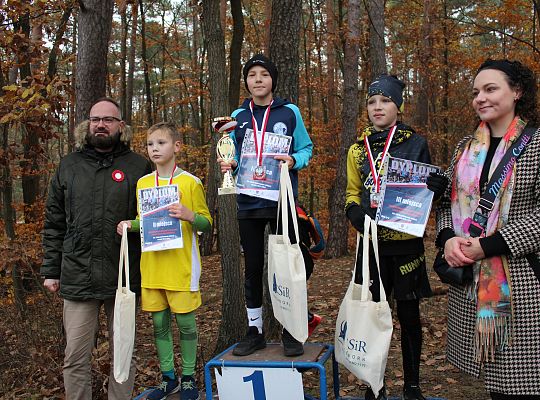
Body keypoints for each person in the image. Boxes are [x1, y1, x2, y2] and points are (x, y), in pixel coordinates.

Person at [434, 59, 540, 399]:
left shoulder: (536, 144)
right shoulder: (465, 148)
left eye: (491, 89)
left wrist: (490, 245)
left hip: (523, 281)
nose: (481, 97)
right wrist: (447, 237)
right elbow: (445, 206)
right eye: (476, 92)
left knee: (522, 381)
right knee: (497, 382)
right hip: (471, 281)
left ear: (518, 91)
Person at [41, 98, 152, 399]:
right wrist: (51, 270)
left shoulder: (140, 166)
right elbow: (54, 223)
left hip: (124, 276)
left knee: (123, 355)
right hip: (78, 276)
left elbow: (153, 221)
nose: (101, 124)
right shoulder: (69, 165)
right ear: (86, 125)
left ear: (121, 126)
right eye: (95, 119)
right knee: (75, 357)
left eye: (108, 119)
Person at [218, 54, 315, 357]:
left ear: (273, 80)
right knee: (253, 267)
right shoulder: (237, 115)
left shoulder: (289, 112)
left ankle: (291, 329)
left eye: (264, 74)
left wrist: (293, 160)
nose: (258, 80)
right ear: (246, 81)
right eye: (251, 75)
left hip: (281, 199)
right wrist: (229, 164)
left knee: (288, 265)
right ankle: (255, 331)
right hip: (248, 200)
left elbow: (306, 148)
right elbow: (232, 153)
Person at [345, 75, 433, 400]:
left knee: (409, 315)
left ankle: (412, 386)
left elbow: (426, 194)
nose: (378, 107)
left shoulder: (415, 142)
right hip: (372, 244)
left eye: (385, 100)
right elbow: (351, 194)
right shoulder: (357, 149)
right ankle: (374, 385)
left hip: (407, 244)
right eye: (372, 101)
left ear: (398, 105)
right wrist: (355, 214)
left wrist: (436, 190)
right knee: (373, 316)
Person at [118, 122, 212, 400]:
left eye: (161, 143)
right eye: (150, 144)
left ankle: (188, 378)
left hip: (182, 268)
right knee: (158, 324)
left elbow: (207, 223)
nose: (155, 149)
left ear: (177, 147)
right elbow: (143, 221)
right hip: (153, 267)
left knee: (186, 325)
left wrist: (189, 215)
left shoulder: (190, 182)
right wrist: (129, 226)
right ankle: (168, 378)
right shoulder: (144, 183)